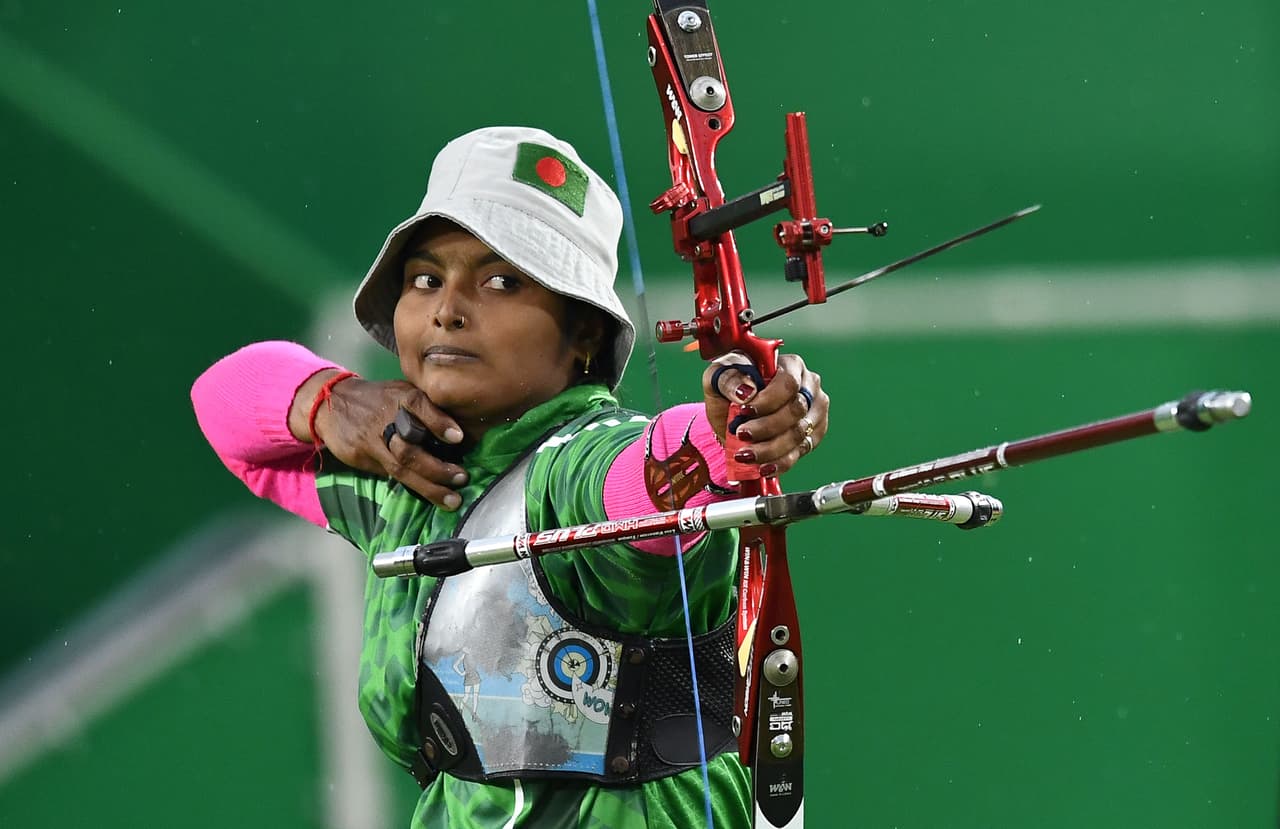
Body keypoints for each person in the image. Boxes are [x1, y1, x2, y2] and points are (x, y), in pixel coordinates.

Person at [192, 126, 830, 828]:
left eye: (502, 282)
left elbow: (644, 476)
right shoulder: (413, 468)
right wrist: (326, 401)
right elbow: (223, 404)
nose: (448, 308)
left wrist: (731, 429)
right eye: (425, 279)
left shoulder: (575, 462)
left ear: (584, 329)